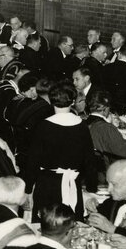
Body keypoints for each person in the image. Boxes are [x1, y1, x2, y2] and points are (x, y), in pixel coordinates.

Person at [23, 83, 94, 217]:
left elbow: (33, 160)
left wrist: (28, 189)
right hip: (73, 182)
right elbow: (90, 160)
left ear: (50, 100)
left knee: (47, 227)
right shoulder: (82, 125)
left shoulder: (43, 126)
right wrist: (91, 188)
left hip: (47, 185)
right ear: (73, 101)